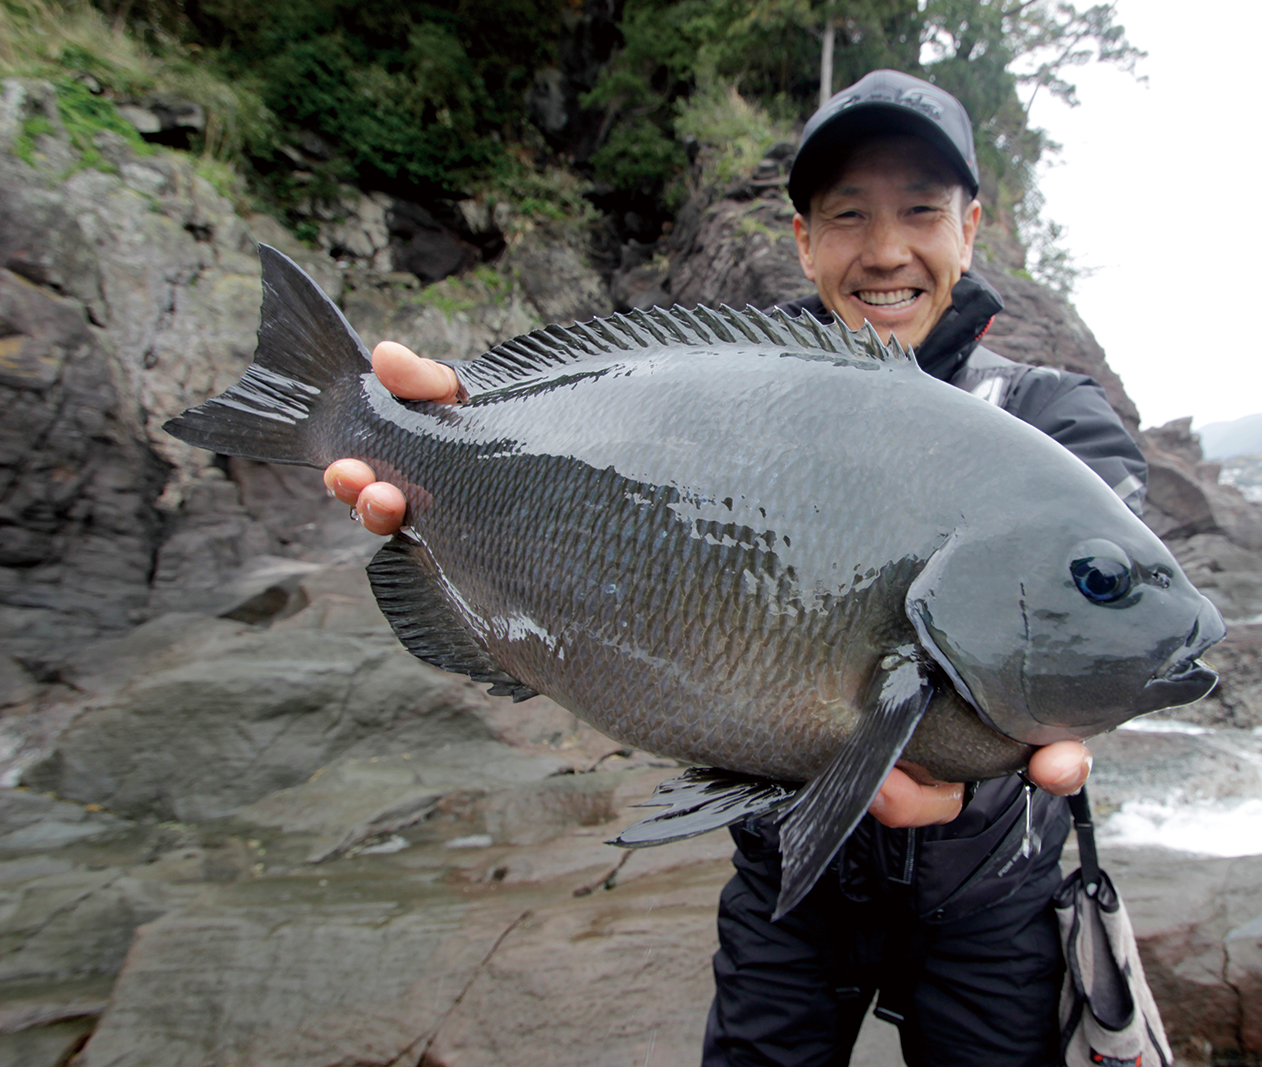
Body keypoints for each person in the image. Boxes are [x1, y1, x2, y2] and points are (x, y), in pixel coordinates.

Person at [324, 69, 1148, 1066]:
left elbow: (1105, 610)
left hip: (996, 892)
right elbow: (608, 463)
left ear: (971, 226)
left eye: (920, 211)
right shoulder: (724, 393)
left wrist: (974, 781)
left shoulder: (1053, 425)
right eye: (847, 216)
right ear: (802, 241)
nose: (886, 250)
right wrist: (450, 442)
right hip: (786, 891)